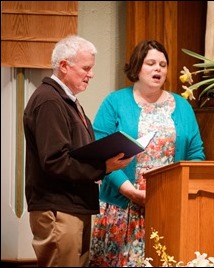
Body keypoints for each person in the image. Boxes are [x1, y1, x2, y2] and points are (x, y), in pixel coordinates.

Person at [89, 40, 205, 267]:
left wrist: (183, 190)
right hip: (122, 207)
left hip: (168, 206)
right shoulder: (115, 102)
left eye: (163, 64)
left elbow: (196, 153)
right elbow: (101, 150)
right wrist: (130, 191)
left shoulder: (182, 106)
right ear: (137, 67)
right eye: (151, 63)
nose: (158, 69)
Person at [23, 35, 131, 267]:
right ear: (64, 66)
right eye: (86, 68)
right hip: (58, 209)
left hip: (72, 205)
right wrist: (103, 166)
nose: (91, 74)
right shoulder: (50, 101)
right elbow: (55, 161)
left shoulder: (66, 101)